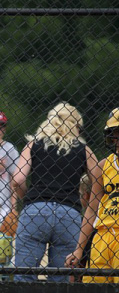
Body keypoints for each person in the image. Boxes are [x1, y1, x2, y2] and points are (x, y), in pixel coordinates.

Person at [12, 102, 98, 282]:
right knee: (61, 279)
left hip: (35, 210)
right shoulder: (84, 150)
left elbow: (18, 179)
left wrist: (28, 198)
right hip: (69, 212)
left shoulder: (33, 145)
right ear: (75, 126)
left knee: (24, 275)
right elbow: (99, 179)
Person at [66, 108, 119, 283]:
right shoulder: (104, 165)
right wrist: (79, 249)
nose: (116, 139)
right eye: (114, 133)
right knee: (95, 292)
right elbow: (91, 209)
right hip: (102, 237)